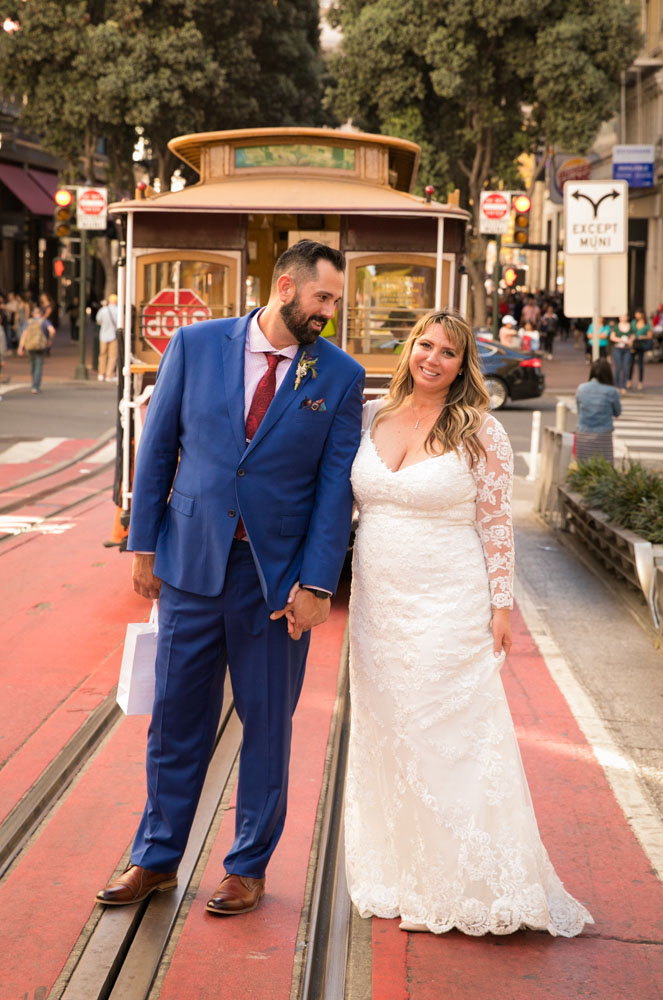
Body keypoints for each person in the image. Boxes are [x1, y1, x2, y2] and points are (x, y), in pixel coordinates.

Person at [96, 240, 365, 915]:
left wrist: (318, 585)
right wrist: (143, 545)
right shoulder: (194, 345)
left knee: (266, 723)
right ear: (284, 287)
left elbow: (335, 488)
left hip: (274, 581)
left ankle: (247, 865)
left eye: (335, 301)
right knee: (175, 720)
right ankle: (155, 858)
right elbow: (158, 448)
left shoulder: (338, 375)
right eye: (321, 299)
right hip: (191, 563)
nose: (328, 313)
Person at [345, 308, 593, 938]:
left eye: (447, 352)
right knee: (390, 730)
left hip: (448, 600)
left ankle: (470, 883)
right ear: (408, 350)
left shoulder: (480, 431)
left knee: (447, 731)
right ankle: (405, 871)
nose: (432, 358)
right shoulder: (372, 416)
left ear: (463, 365)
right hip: (378, 606)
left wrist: (502, 605)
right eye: (423, 345)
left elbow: (496, 524)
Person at [574, 359, 621, 464]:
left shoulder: (581, 388)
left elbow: (579, 411)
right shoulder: (611, 391)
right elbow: (617, 412)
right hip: (603, 436)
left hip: (583, 435)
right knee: (604, 469)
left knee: (584, 468)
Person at [18, 305, 55, 393]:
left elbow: (24, 335)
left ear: (33, 314)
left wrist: (20, 347)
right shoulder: (44, 321)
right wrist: (50, 340)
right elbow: (52, 331)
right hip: (41, 346)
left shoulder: (28, 322)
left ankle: (33, 383)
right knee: (39, 365)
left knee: (33, 364)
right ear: (41, 314)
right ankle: (36, 386)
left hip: (30, 346)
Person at [96, 294, 119, 381]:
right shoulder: (118, 311)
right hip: (113, 335)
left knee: (102, 355)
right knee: (112, 356)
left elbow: (98, 320)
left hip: (103, 335)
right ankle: (109, 375)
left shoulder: (103, 310)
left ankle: (101, 374)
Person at [628, 308, 652, 391]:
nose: (636, 315)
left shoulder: (646, 324)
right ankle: (629, 380)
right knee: (630, 363)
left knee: (640, 364)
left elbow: (650, 335)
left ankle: (640, 382)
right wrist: (631, 340)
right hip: (634, 345)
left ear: (642, 314)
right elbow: (630, 333)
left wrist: (643, 337)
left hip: (641, 345)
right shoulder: (633, 323)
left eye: (637, 313)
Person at [609, 313, 633, 393]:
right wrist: (620, 340)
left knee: (626, 367)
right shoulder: (616, 326)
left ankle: (623, 386)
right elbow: (612, 337)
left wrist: (630, 341)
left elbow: (633, 336)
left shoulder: (630, 326)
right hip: (617, 348)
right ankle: (616, 385)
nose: (623, 318)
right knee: (618, 367)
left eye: (625, 316)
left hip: (626, 349)